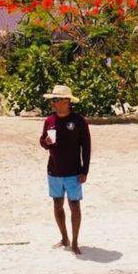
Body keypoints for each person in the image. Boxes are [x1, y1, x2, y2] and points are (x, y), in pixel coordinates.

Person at [39, 84, 91, 255]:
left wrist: (85, 171)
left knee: (74, 206)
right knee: (57, 204)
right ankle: (64, 238)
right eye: (53, 100)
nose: (54, 103)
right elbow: (42, 142)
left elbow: (87, 147)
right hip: (54, 171)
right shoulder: (49, 121)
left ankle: (75, 242)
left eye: (57, 99)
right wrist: (45, 142)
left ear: (67, 101)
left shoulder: (78, 121)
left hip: (74, 172)